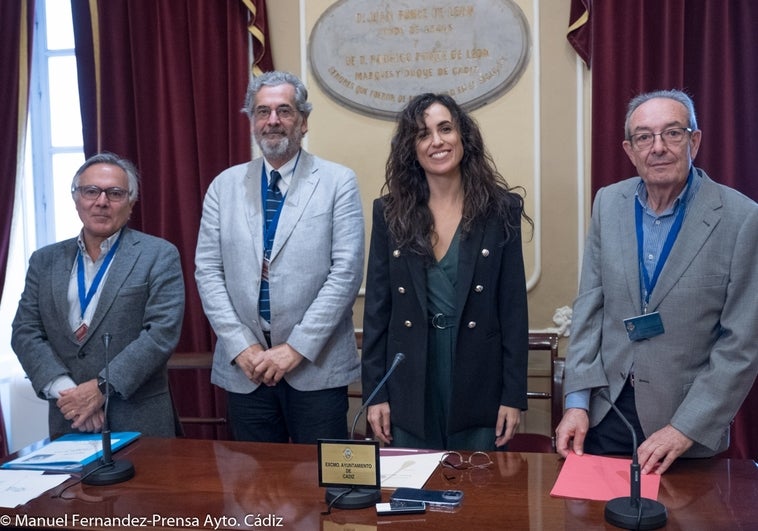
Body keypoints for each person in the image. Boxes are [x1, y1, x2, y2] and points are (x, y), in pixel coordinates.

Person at [556, 89, 758, 474]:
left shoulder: (741, 217)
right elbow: (589, 308)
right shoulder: (608, 203)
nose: (658, 147)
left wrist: (685, 428)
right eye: (644, 137)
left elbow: (742, 344)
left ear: (694, 141)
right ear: (630, 150)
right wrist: (577, 404)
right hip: (605, 413)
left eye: (673, 133)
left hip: (684, 428)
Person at [195, 71, 365, 444]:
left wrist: (295, 349)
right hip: (247, 370)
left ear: (303, 122)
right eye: (262, 111)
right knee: (252, 491)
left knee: (320, 490)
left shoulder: (338, 182)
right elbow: (207, 271)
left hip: (315, 368)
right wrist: (241, 346)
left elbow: (346, 273)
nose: (273, 121)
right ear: (252, 121)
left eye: (284, 111)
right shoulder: (224, 186)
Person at [361, 93, 532, 451]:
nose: (436, 141)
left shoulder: (500, 210)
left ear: (463, 138)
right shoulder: (390, 213)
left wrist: (513, 396)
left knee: (476, 491)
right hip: (410, 374)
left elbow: (513, 309)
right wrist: (375, 392)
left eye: (445, 129)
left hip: (478, 375)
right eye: (423, 134)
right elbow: (378, 310)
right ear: (412, 148)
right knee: (411, 490)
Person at [11, 152, 186, 438]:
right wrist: (69, 393)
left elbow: (160, 334)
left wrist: (101, 389)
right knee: (70, 486)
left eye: (115, 193)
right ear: (76, 198)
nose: (101, 201)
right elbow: (25, 331)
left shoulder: (159, 255)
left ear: (130, 203)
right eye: (91, 191)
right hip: (69, 417)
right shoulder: (44, 261)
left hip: (140, 420)